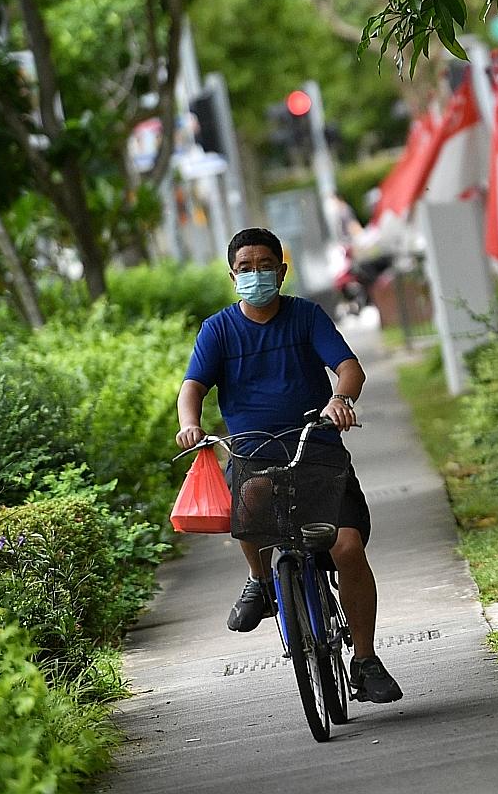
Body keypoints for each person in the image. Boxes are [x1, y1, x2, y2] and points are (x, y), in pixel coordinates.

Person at [175, 227, 402, 703]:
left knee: (347, 547)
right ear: (232, 275)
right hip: (253, 451)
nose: (255, 275)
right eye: (245, 268)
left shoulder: (305, 317)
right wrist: (191, 425)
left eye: (264, 266)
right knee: (249, 508)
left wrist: (340, 399)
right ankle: (260, 582)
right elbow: (192, 386)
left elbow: (348, 366)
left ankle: (364, 660)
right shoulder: (218, 330)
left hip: (315, 447)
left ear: (281, 271)